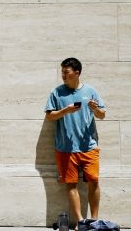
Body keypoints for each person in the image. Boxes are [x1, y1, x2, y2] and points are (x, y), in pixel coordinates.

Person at [45, 57, 106, 227]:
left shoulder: (91, 91)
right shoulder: (57, 92)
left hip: (89, 147)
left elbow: (102, 115)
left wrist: (95, 109)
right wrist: (65, 110)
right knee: (70, 185)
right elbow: (50, 116)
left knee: (94, 182)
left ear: (76, 73)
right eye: (62, 72)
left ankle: (93, 221)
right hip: (65, 148)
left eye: (66, 72)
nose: (63, 75)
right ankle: (80, 222)